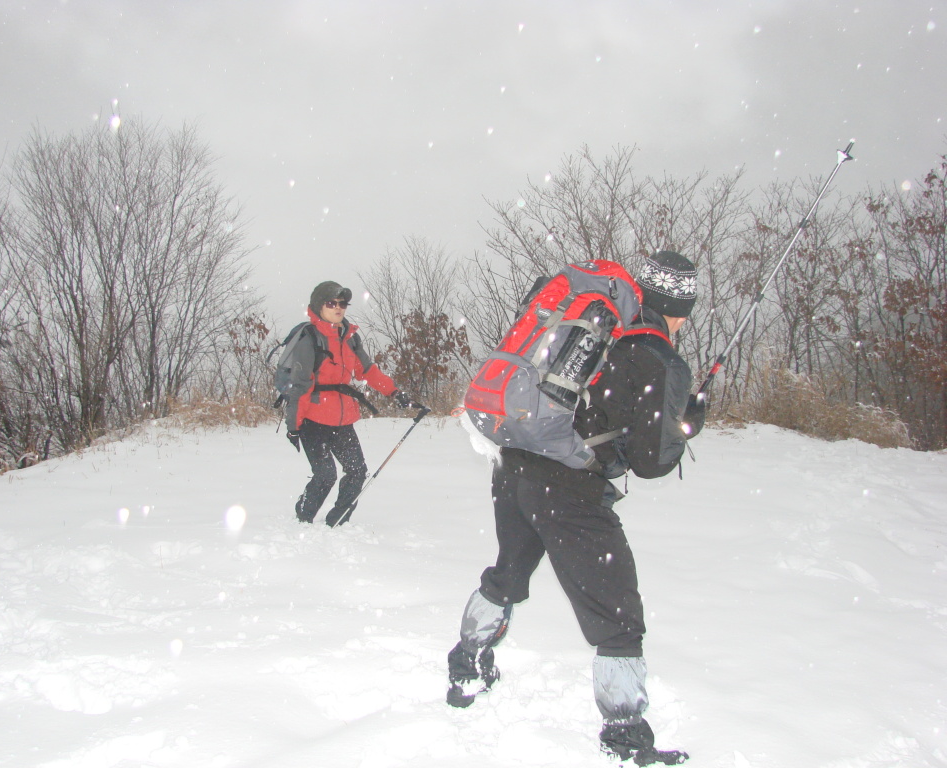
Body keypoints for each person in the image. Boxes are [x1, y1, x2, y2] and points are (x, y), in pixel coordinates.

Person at [446, 251, 701, 766]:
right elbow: (652, 462)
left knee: (509, 572)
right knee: (617, 613)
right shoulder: (654, 353)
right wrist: (687, 419)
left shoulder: (600, 324)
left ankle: (467, 666)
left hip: (514, 464)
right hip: (567, 487)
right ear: (677, 308)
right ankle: (625, 736)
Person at [281, 280, 420, 527]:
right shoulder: (309, 339)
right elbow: (300, 387)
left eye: (342, 303)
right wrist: (294, 425)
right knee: (325, 475)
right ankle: (303, 518)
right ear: (318, 306)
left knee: (357, 472)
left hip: (343, 420)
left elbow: (367, 371)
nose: (338, 308)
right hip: (313, 420)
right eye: (331, 303)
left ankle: (338, 521)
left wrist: (395, 392)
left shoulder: (349, 338)